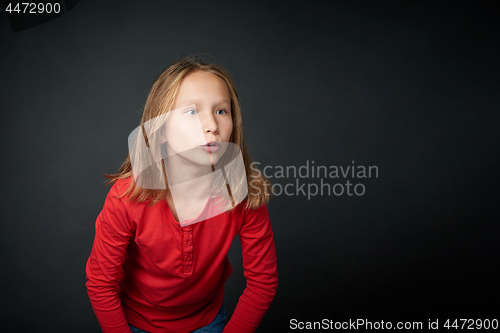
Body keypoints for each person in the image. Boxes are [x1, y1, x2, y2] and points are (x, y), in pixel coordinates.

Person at [85, 54, 278, 333]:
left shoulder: (245, 193)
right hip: (134, 322)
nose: (211, 124)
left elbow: (263, 284)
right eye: (191, 111)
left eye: (221, 111)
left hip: (206, 321)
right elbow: (100, 284)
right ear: (160, 130)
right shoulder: (126, 196)